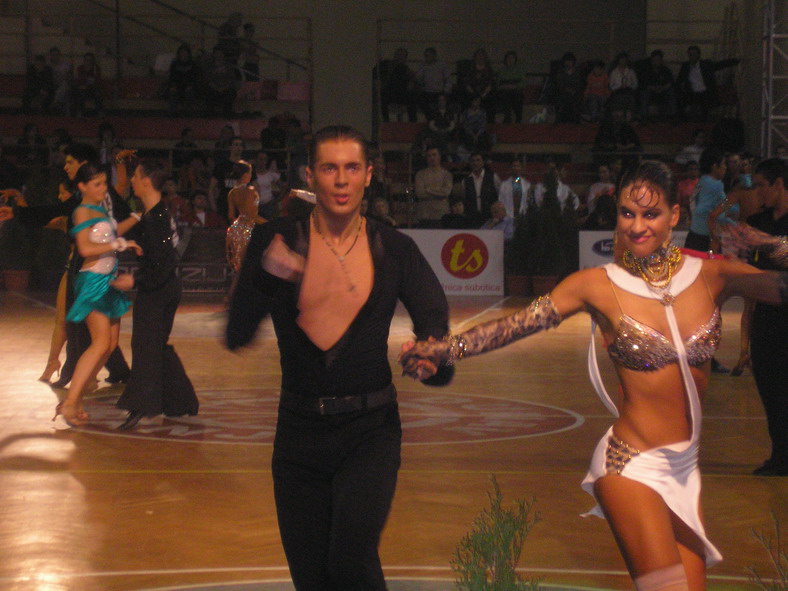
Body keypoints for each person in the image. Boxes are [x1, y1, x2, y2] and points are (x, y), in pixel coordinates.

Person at [401, 159, 788, 590]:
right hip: (629, 465)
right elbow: (515, 325)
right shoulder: (596, 284)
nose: (636, 226)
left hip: (685, 468)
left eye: (651, 214)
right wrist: (445, 350)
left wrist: (767, 244)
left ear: (675, 215)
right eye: (627, 213)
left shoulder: (713, 276)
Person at [226, 125, 452, 590]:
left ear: (369, 175)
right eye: (330, 168)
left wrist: (429, 362)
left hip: (370, 433)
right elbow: (236, 334)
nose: (342, 179)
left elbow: (437, 341)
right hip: (297, 436)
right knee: (312, 578)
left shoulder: (396, 249)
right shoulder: (275, 239)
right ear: (311, 176)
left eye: (352, 168)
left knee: (352, 561)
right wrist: (267, 275)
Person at [55, 163, 141, 427]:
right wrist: (120, 244)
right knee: (101, 343)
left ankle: (75, 399)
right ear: (82, 186)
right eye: (97, 184)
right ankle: (70, 402)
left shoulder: (100, 209)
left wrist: (137, 217)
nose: (103, 188)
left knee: (110, 344)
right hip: (92, 281)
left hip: (106, 279)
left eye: (104, 183)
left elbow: (112, 233)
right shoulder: (82, 211)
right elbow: (85, 248)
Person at [115, 160, 198, 430]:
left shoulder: (157, 218)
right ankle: (181, 401)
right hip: (163, 287)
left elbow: (163, 262)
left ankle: (141, 405)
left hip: (158, 290)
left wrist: (134, 279)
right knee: (155, 345)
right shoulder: (154, 214)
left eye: (135, 176)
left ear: (147, 181)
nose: (132, 181)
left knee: (145, 347)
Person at [676, 46, 738, 121]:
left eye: (694, 54)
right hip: (692, 92)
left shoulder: (706, 64)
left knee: (704, 100)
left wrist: (734, 61)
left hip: (705, 92)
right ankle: (683, 121)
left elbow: (720, 65)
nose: (692, 56)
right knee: (680, 99)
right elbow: (679, 80)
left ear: (698, 55)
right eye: (690, 54)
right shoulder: (685, 66)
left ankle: (703, 121)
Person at [226, 159, 266, 273]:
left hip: (235, 230)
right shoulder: (251, 191)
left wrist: (236, 229)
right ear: (245, 175)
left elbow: (231, 215)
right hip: (249, 230)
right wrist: (268, 224)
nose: (251, 175)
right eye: (250, 173)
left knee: (238, 266)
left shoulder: (232, 193)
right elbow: (251, 215)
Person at [415, 146, 453, 227]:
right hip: (424, 214)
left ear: (439, 156)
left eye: (434, 155)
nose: (432, 157)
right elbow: (420, 193)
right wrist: (439, 193)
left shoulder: (447, 175)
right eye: (429, 155)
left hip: (441, 214)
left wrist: (429, 190)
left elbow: (446, 192)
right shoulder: (420, 174)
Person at [463, 152, 500, 227]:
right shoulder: (465, 181)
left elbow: (500, 196)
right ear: (470, 163)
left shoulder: (493, 177)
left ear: (483, 162)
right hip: (472, 219)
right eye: (473, 161)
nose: (475, 163)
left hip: (490, 217)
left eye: (478, 160)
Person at [72, 52, 103, 116]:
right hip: (81, 88)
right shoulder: (80, 69)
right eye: (87, 60)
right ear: (84, 60)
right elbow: (78, 80)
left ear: (93, 61)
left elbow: (97, 81)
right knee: (80, 92)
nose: (88, 62)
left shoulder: (96, 69)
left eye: (90, 60)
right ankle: (79, 112)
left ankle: (100, 112)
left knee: (98, 92)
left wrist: (87, 84)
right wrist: (84, 83)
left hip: (92, 89)